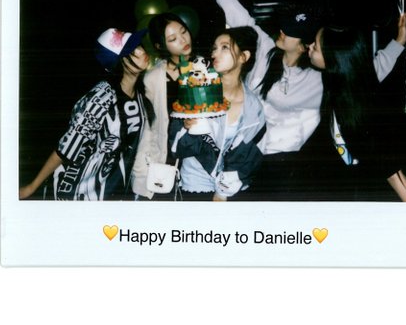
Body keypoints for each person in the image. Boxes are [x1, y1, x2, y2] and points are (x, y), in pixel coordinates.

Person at [177, 0, 324, 198]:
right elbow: (239, 16)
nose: (283, 31)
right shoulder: (266, 51)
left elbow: (365, 69)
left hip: (282, 164)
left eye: (291, 31)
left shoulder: (316, 79)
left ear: (303, 46)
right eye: (285, 25)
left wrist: (395, 45)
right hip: (241, 156)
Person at [19, 28, 154, 201]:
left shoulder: (139, 96)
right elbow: (66, 148)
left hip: (111, 189)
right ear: (119, 61)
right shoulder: (101, 98)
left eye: (139, 46)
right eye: (133, 50)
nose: (142, 52)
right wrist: (31, 187)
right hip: (78, 191)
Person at [308, 24, 406, 202]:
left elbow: (393, 174)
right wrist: (399, 40)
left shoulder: (357, 114)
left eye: (315, 46)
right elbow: (376, 66)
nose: (309, 47)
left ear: (333, 58)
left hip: (363, 190)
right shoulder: (342, 79)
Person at [169, 26, 266, 201]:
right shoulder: (196, 91)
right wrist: (186, 128)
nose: (214, 53)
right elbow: (177, 149)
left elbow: (250, 157)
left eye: (224, 48)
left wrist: (222, 193)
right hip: (194, 182)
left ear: (243, 57)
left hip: (231, 189)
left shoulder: (253, 108)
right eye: (214, 48)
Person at [131, 12, 193, 199]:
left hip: (197, 161)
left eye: (183, 31)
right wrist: (141, 171)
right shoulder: (153, 78)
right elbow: (148, 128)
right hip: (166, 159)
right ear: (160, 46)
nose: (183, 40)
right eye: (173, 39)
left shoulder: (205, 68)